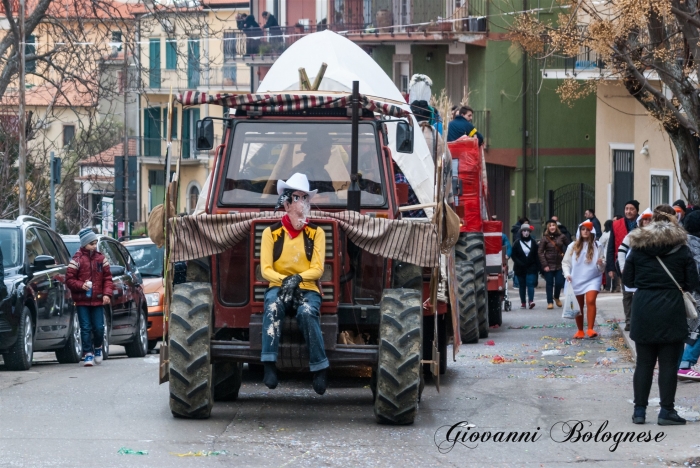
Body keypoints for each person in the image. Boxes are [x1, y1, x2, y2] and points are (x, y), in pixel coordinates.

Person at [622, 204, 699, 425]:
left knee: (644, 363)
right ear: (675, 220)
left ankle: (639, 411)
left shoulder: (637, 247)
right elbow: (693, 282)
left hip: (643, 307)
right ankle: (666, 411)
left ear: (651, 220)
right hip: (672, 308)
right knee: (668, 364)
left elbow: (628, 280)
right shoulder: (681, 248)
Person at [260, 173, 329, 395]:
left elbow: (318, 268)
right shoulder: (270, 234)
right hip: (277, 288)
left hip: (307, 289)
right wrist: (286, 282)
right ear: (287, 203)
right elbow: (266, 270)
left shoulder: (316, 233)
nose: (304, 205)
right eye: (299, 198)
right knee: (272, 306)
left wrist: (298, 279)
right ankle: (269, 364)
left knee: (308, 312)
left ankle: (320, 367)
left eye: (306, 198)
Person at [65, 228, 113, 367]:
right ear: (84, 244)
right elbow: (69, 280)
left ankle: (98, 347)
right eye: (92, 243)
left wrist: (106, 294)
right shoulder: (76, 260)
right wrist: (81, 285)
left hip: (98, 300)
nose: (94, 246)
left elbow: (108, 278)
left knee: (99, 327)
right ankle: (88, 353)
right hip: (82, 301)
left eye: (95, 243)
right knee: (85, 327)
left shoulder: (101, 259)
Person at [562, 221, 604, 339]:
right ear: (580, 231)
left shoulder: (598, 246)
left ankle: (590, 328)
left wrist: (601, 264)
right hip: (576, 278)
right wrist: (567, 274)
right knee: (578, 305)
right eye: (583, 229)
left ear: (592, 232)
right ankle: (580, 330)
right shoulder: (572, 246)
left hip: (593, 277)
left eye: (588, 229)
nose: (585, 231)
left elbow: (602, 266)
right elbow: (565, 263)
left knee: (590, 301)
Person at [606, 199, 639, 330]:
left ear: (636, 211)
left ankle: (638, 319)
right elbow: (611, 246)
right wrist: (611, 268)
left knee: (639, 294)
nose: (629, 211)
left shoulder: (642, 223)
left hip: (639, 264)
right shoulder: (616, 224)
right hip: (623, 264)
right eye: (627, 209)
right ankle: (629, 321)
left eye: (632, 209)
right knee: (627, 294)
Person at [677, 210, 700, 382]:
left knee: (683, 331)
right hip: (695, 295)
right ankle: (685, 364)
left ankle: (678, 364)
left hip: (679, 294)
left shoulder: (680, 244)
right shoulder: (697, 246)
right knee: (696, 331)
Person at [538, 219, 570, 309]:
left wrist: (567, 256)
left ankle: (556, 297)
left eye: (553, 225)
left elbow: (570, 246)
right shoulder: (545, 238)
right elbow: (540, 252)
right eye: (550, 225)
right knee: (549, 283)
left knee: (559, 282)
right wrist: (545, 265)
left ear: (556, 227)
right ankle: (550, 301)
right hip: (548, 264)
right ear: (548, 227)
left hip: (560, 264)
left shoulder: (562, 236)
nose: (552, 227)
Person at [510, 224, 540, 309]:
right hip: (520, 267)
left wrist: (538, 267)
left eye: (527, 231)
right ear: (521, 232)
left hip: (531, 267)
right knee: (522, 285)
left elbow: (536, 255)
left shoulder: (533, 242)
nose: (526, 233)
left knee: (530, 283)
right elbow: (513, 255)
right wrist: (519, 262)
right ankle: (523, 302)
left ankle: (531, 301)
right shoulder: (516, 243)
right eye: (524, 231)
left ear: (530, 232)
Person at [599, 220, 617, 292]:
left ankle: (608, 287)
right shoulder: (614, 233)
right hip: (614, 254)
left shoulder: (606, 234)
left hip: (607, 254)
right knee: (615, 271)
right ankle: (615, 287)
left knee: (608, 271)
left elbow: (600, 243)